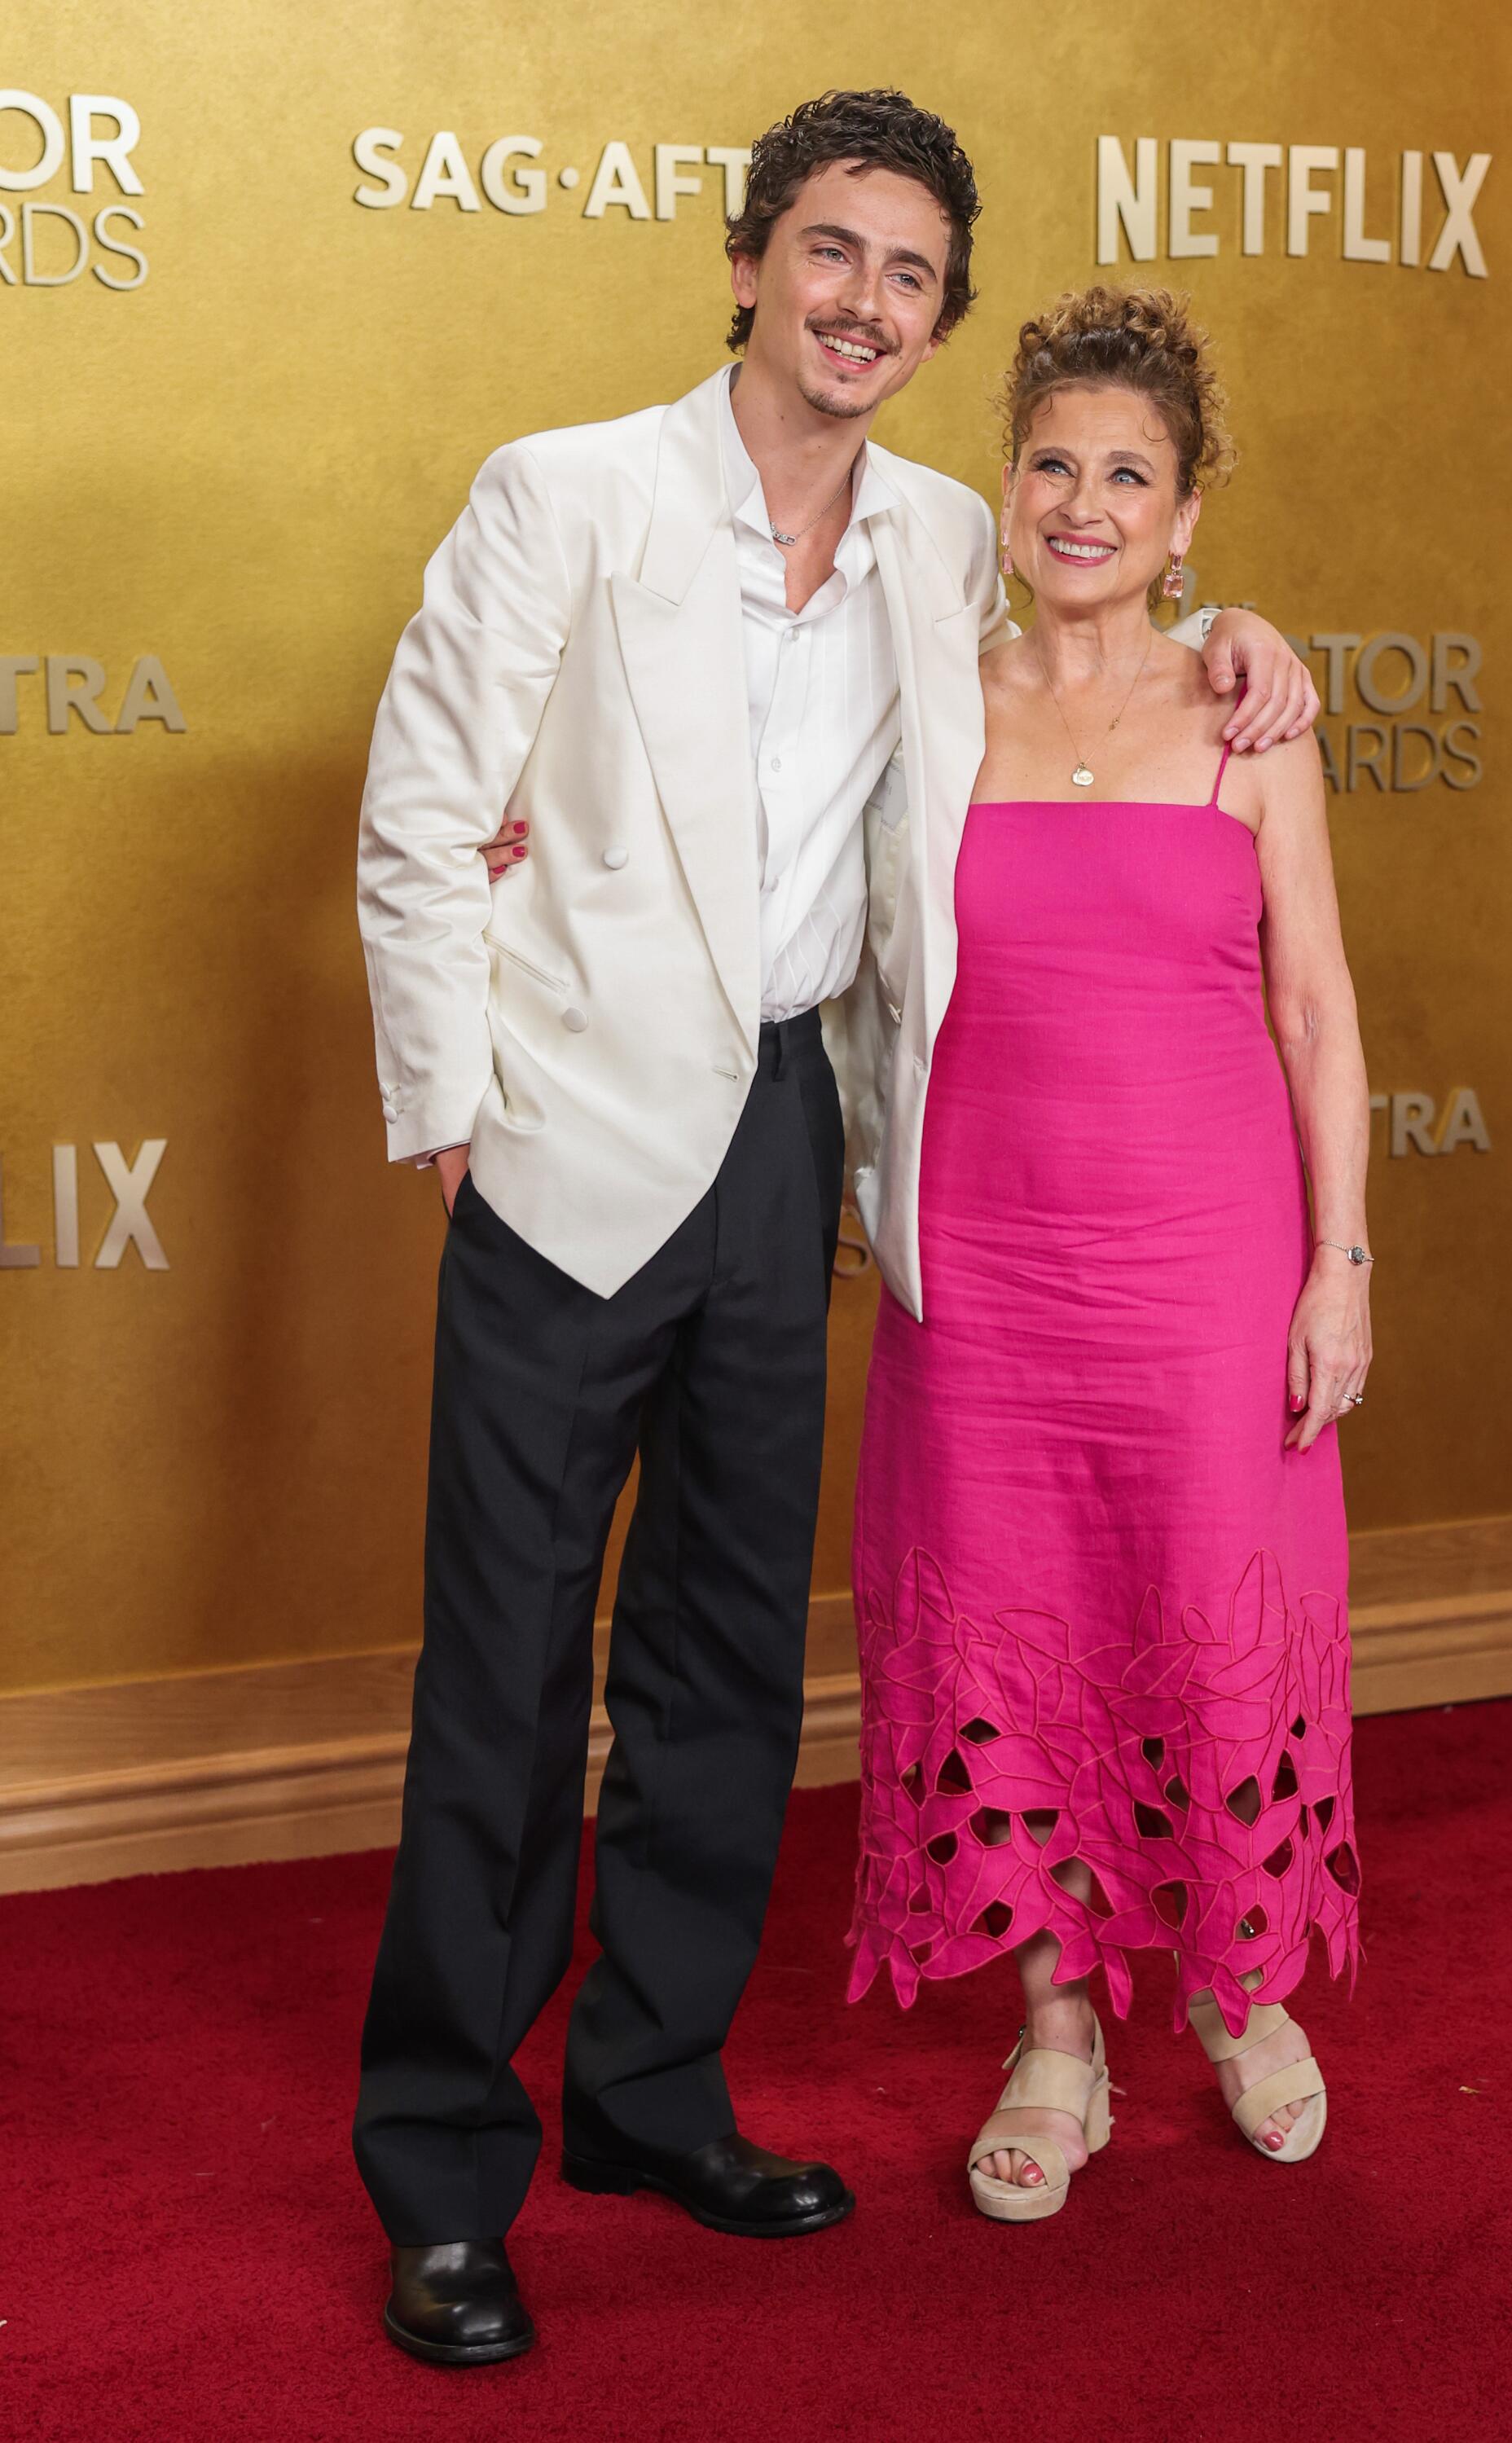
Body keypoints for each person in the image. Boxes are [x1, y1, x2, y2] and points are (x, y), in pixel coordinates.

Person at [359, 87, 1314, 2363]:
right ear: (751, 260)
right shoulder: (567, 492)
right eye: (830, 251)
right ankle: (446, 2174)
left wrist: (1248, 634)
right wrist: (455, 1119)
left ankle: (653, 2098)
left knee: (716, 1672)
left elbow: (1103, 628)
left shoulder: (942, 534)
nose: (863, 298)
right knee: (508, 1679)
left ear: (940, 314)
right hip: (570, 1139)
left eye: (908, 272)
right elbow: (422, 806)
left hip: (795, 1130)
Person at [844, 288, 1371, 2222]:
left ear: (1184, 508)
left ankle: (1236, 1993)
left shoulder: (1250, 710)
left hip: (1210, 1263)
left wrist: (1343, 1267)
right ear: (1005, 484)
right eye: (1052, 462)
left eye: (1126, 473)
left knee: (1202, 1608)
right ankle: (1059, 2034)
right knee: (1021, 1628)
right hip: (978, 1272)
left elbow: (1315, 1011)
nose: (1083, 501)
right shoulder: (918, 701)